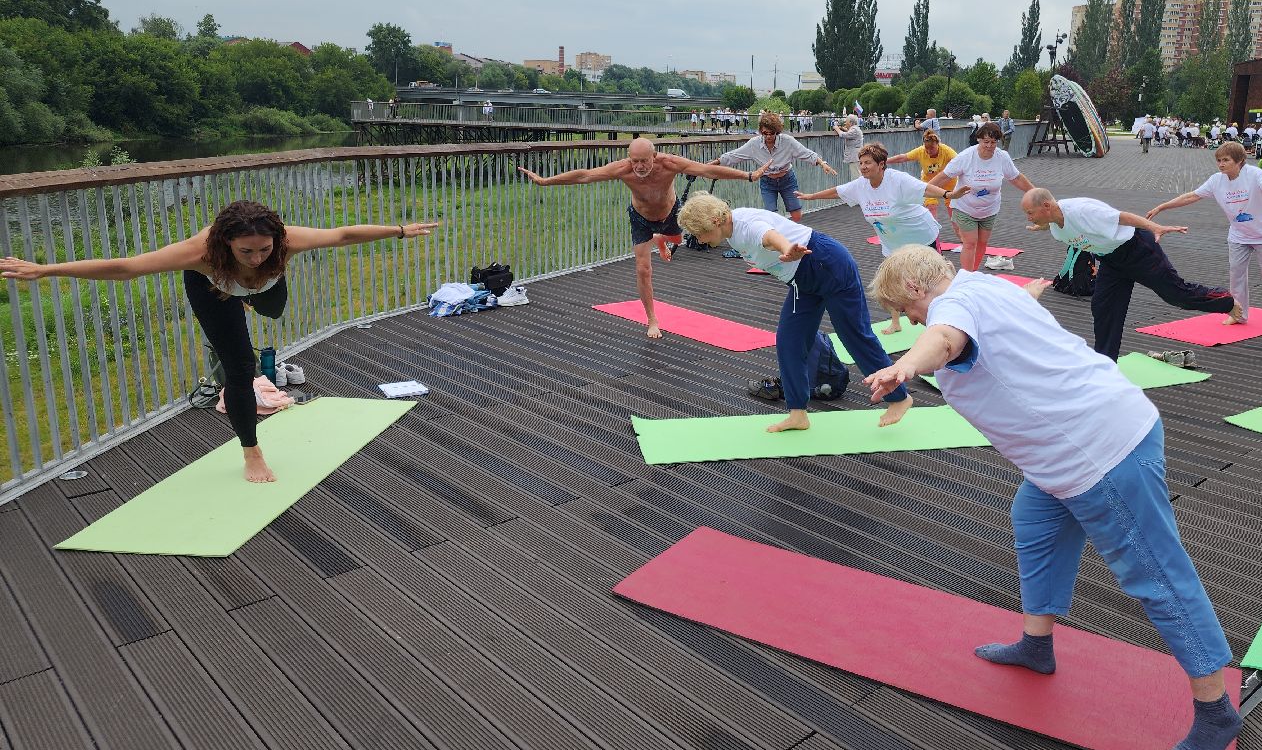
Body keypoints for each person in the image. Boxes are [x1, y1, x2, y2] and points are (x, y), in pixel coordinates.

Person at [863, 246, 1242, 750]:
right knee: (1035, 523)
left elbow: (944, 339)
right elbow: (1008, 308)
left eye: (909, 311)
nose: (911, 320)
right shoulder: (984, 286)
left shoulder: (951, 312)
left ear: (914, 288)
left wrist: (904, 366)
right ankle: (1037, 646)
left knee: (1155, 574)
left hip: (1098, 455)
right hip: (1071, 451)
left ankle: (1215, 708)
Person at [0, 201, 439, 484]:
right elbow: (126, 267)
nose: (255, 256)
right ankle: (251, 452)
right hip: (215, 290)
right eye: (245, 251)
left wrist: (399, 230)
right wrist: (46, 270)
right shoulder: (200, 254)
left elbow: (342, 235)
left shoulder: (285, 244)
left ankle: (247, 301)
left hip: (262, 291)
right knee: (239, 370)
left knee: (272, 311)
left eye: (263, 249)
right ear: (225, 242)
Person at [676, 192, 911, 433]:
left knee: (854, 335)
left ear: (714, 221)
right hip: (802, 281)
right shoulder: (731, 231)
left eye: (698, 234)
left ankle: (900, 398)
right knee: (790, 341)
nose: (699, 240)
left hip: (827, 264)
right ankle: (798, 413)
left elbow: (769, 237)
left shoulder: (746, 226)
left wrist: (788, 248)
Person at [519, 137, 759, 340]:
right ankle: (652, 319)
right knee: (644, 269)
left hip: (670, 214)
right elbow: (585, 175)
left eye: (644, 161)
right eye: (635, 161)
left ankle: (662, 238)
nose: (640, 166)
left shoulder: (670, 164)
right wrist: (545, 181)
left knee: (677, 240)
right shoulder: (623, 169)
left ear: (654, 156)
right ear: (629, 158)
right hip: (641, 219)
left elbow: (707, 170)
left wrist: (747, 176)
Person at [1020, 188, 1238, 361]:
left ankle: (1226, 301)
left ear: (1047, 206)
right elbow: (1064, 226)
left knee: (1176, 294)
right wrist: (1040, 225)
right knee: (1103, 308)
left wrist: (1155, 227)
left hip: (1138, 250)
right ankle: (1106, 365)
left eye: (1030, 213)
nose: (1028, 218)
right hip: (1111, 261)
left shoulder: (1083, 211)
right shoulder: (1055, 222)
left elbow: (1124, 217)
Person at [798, 143, 965, 333]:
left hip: (921, 236)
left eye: (868, 163)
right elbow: (838, 191)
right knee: (893, 280)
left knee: (934, 278)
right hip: (892, 241)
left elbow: (925, 188)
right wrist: (811, 196)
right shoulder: (861, 185)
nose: (863, 167)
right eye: (861, 163)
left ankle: (948, 317)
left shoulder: (897, 180)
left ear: (881, 164)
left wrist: (948, 194)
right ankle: (895, 322)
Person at [1146, 141, 1262, 324]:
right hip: (1240, 234)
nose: (1221, 164)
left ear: (1239, 161)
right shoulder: (1216, 180)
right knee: (1236, 273)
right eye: (1219, 160)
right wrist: (1162, 207)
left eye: (1226, 160)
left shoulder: (1255, 175)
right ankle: (1238, 313)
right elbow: (1192, 196)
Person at [938, 121, 1034, 271]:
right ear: (978, 139)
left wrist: (1034, 193)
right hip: (965, 207)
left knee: (982, 243)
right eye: (986, 142)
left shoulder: (1002, 157)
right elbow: (944, 177)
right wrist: (921, 190)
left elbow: (1016, 178)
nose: (989, 146)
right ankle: (966, 277)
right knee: (970, 242)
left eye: (993, 142)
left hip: (989, 209)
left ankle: (973, 273)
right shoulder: (966, 157)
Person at [714, 110, 837, 223]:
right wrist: (713, 164)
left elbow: (806, 153)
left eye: (771, 133)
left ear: (777, 132)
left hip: (787, 179)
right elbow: (733, 155)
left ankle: (789, 234)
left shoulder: (787, 141)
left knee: (796, 215)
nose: (768, 136)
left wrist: (822, 164)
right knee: (771, 216)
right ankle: (778, 239)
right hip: (767, 182)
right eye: (764, 133)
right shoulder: (754, 144)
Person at [887, 127, 960, 229]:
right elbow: (903, 157)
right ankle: (934, 234)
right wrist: (885, 161)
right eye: (927, 149)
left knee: (951, 209)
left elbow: (959, 162)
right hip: (929, 182)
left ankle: (961, 236)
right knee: (931, 207)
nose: (929, 151)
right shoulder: (921, 151)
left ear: (938, 144)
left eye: (932, 148)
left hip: (947, 181)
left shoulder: (946, 151)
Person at [832, 115, 864, 180]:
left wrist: (837, 128)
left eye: (846, 121)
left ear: (850, 122)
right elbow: (849, 133)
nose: (845, 123)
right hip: (856, 156)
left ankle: (857, 189)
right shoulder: (855, 129)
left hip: (854, 157)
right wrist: (844, 129)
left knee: (856, 176)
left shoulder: (854, 130)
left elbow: (843, 135)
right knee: (857, 174)